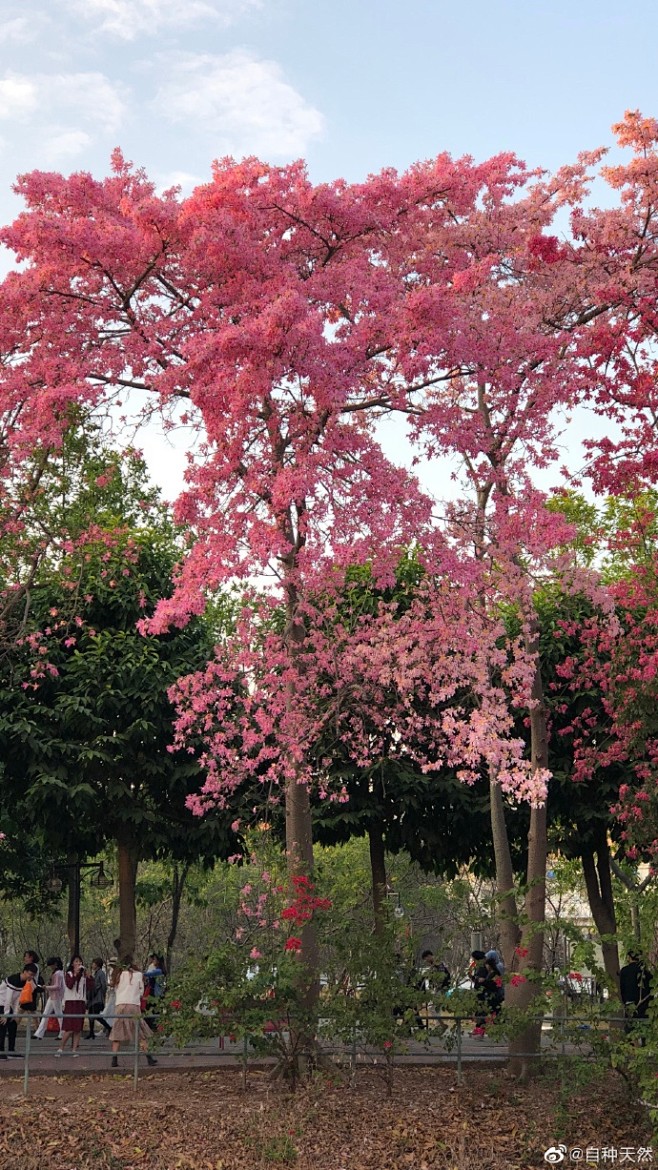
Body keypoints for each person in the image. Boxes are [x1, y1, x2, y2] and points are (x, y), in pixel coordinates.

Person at [109, 954, 157, 1068]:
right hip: (133, 1005)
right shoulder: (138, 975)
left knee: (117, 1031)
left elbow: (115, 989)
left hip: (120, 1005)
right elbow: (141, 991)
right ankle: (149, 1057)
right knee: (139, 1032)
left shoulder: (117, 975)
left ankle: (114, 1059)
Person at [0, 964, 38, 1058]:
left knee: (13, 1025)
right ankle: (1, 1051)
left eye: (33, 975)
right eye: (30, 974)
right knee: (2, 1027)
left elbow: (17, 998)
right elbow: (8, 998)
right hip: (1, 1003)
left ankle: (11, 1050)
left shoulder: (24, 982)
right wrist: (6, 1014)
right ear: (24, 971)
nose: (31, 977)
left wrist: (15, 1014)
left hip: (8, 1006)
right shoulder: (14, 979)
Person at [56, 955, 87, 1057]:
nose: (78, 964)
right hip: (71, 1002)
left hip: (80, 1002)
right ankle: (61, 1048)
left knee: (78, 1029)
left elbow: (90, 986)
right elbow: (69, 985)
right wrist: (76, 974)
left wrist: (88, 975)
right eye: (76, 961)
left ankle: (74, 1050)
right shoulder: (68, 974)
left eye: (80, 962)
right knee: (69, 1028)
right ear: (72, 963)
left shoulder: (83, 975)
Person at [620, 950, 653, 1042]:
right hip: (644, 1003)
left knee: (630, 1027)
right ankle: (644, 1046)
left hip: (630, 1003)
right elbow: (651, 988)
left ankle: (630, 1047)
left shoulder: (625, 971)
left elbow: (622, 988)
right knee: (644, 1027)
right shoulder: (645, 971)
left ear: (629, 958)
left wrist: (624, 1001)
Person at [34, 957, 65, 1040]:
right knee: (46, 1014)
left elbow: (57, 986)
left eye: (51, 965)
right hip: (53, 996)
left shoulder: (58, 974)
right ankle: (39, 1033)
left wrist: (46, 987)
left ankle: (62, 1033)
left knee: (59, 1015)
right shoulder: (58, 973)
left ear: (55, 964)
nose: (50, 967)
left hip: (56, 996)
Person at [86, 957, 108, 1039]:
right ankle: (91, 1032)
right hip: (93, 998)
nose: (92, 965)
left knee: (95, 1015)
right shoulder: (95, 973)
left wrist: (102, 994)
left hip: (98, 998)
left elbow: (103, 985)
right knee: (91, 1014)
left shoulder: (101, 973)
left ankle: (108, 1027)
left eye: (94, 964)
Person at [469, 949, 489, 1037]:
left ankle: (481, 1030)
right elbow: (477, 980)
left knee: (481, 1012)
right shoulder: (478, 968)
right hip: (478, 991)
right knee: (478, 1011)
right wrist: (472, 977)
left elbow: (482, 980)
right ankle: (478, 1028)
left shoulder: (483, 968)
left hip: (482, 992)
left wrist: (477, 980)